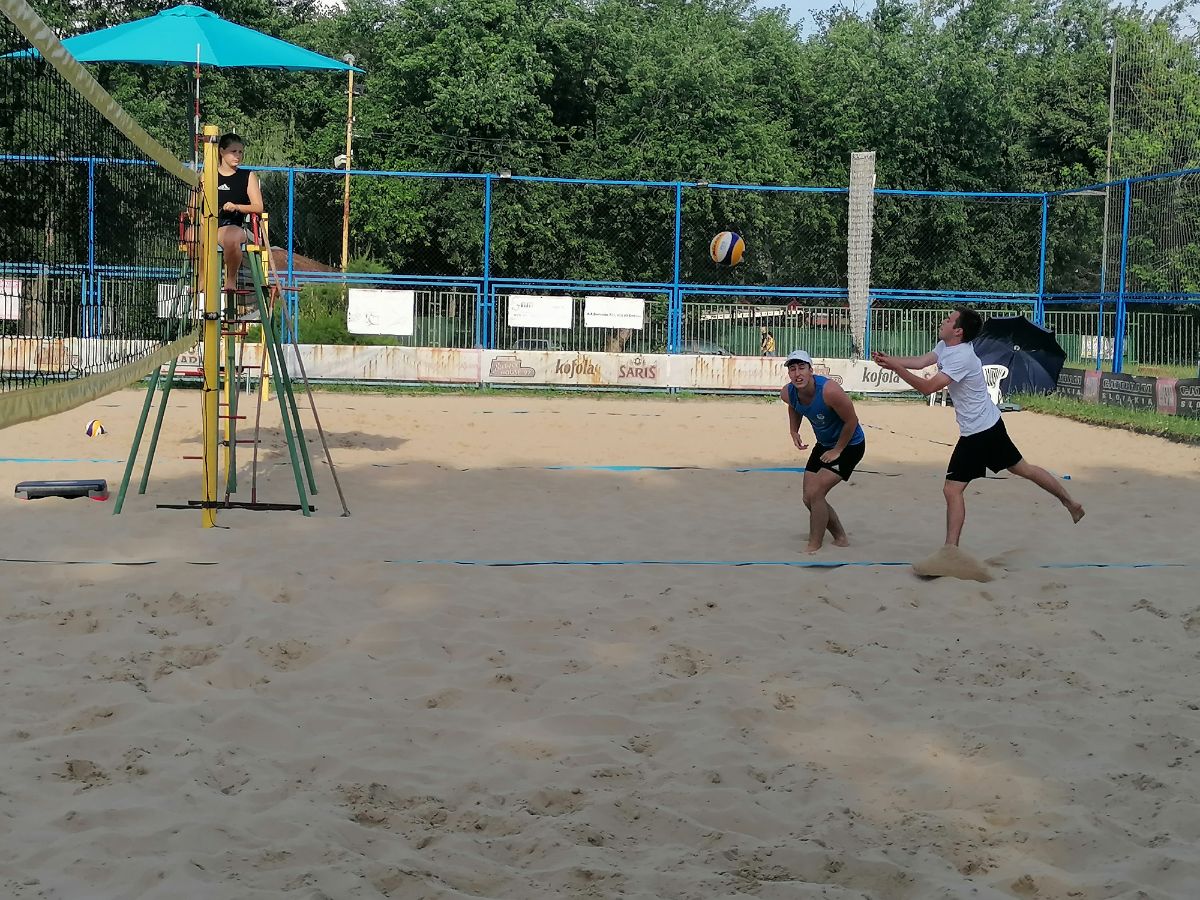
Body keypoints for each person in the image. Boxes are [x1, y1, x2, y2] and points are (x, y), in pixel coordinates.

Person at [871, 306, 1084, 547]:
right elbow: (920, 362)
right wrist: (891, 360)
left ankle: (951, 550)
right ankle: (1071, 503)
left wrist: (897, 369)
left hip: (979, 432)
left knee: (952, 489)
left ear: (958, 331)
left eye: (948, 320)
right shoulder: (946, 346)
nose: (943, 321)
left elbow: (928, 388)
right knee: (1023, 469)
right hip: (989, 425)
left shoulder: (962, 357)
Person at [780, 349, 866, 553]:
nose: (797, 373)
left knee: (816, 492)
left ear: (811, 370)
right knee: (808, 497)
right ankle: (840, 537)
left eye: (802, 368)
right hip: (824, 444)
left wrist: (838, 450)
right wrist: (794, 430)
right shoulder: (787, 392)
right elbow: (794, 406)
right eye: (792, 369)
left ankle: (814, 544)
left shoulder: (830, 391)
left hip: (851, 445)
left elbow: (852, 421)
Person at [214, 133, 264, 294]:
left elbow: (258, 207)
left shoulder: (247, 176)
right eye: (233, 151)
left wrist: (236, 207)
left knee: (231, 237)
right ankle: (201, 278)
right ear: (222, 151)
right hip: (208, 224)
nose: (237, 156)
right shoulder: (207, 175)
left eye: (240, 152)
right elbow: (194, 205)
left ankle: (230, 279)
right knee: (191, 236)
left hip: (231, 225)